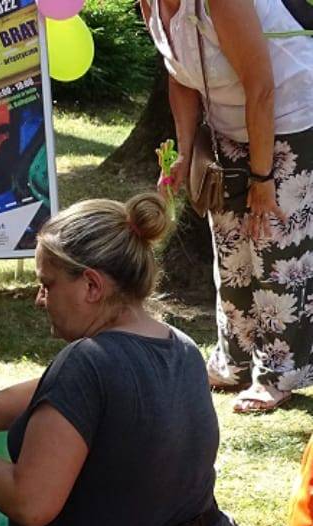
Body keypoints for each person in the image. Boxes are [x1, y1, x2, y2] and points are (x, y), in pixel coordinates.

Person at [0, 194, 246, 526]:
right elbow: (64, 395)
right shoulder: (179, 347)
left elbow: (31, 504)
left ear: (91, 286)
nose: (40, 300)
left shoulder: (87, 363)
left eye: (47, 284)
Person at [142, 0, 313, 412]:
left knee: (273, 243)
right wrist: (184, 150)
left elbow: (261, 87)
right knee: (231, 244)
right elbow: (178, 73)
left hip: (290, 116)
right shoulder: (149, 2)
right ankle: (234, 360)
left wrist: (262, 178)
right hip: (227, 124)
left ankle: (277, 373)